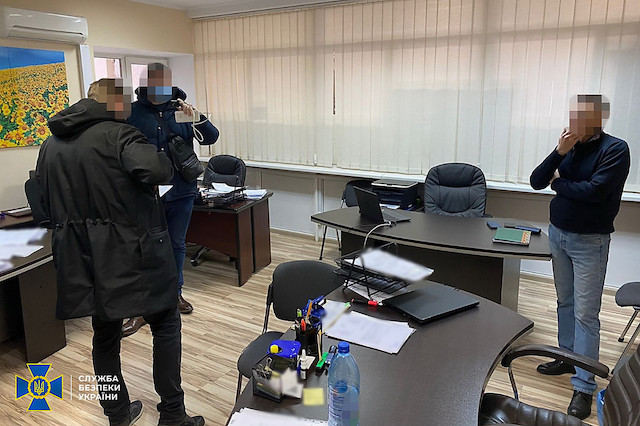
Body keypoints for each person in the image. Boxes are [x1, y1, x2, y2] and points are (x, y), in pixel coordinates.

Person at [35, 78, 205, 426]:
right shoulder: (121, 135)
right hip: (135, 253)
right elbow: (158, 171)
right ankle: (173, 414)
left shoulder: (50, 144)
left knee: (105, 336)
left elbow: (42, 201)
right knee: (166, 325)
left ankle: (117, 414)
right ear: (114, 103)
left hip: (85, 259)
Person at [530, 94, 630, 420]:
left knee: (586, 314)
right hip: (557, 234)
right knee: (565, 302)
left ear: (599, 120)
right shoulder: (569, 146)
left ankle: (584, 386)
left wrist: (559, 183)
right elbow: (537, 181)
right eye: (574, 116)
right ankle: (566, 357)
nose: (575, 123)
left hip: (590, 242)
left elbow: (595, 192)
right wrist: (559, 153)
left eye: (583, 117)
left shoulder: (615, 149)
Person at [123, 63, 219, 337]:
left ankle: (174, 294)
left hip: (181, 189)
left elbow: (211, 137)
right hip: (147, 192)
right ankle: (141, 308)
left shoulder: (182, 109)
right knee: (145, 249)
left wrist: (196, 117)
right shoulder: (131, 112)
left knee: (176, 244)